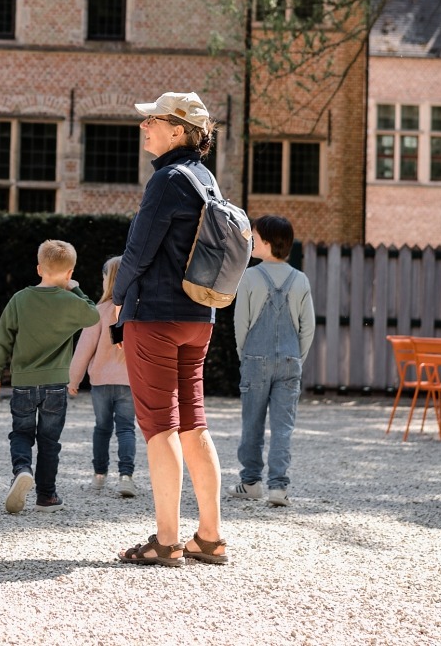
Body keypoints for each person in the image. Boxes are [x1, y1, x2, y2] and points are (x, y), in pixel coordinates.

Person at [112, 91, 230, 566]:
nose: (145, 127)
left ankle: (165, 541)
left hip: (156, 318)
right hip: (198, 318)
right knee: (194, 424)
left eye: (153, 121)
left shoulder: (167, 179)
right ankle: (210, 536)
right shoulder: (206, 179)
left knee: (160, 427)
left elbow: (138, 251)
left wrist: (117, 296)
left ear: (178, 130)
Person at [0, 240, 99, 515]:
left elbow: (3, 338)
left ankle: (22, 470)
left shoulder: (19, 299)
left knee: (21, 433)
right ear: (70, 271)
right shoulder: (71, 301)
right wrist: (77, 289)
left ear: (39, 268)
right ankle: (46, 496)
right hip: (56, 386)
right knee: (50, 441)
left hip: (24, 382)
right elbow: (93, 315)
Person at [232, 214, 315, 507]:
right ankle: (278, 488)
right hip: (290, 360)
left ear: (266, 242)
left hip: (255, 359)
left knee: (252, 422)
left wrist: (246, 357)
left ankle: (251, 482)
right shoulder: (300, 279)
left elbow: (241, 323)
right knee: (283, 427)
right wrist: (297, 358)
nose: (251, 241)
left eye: (254, 237)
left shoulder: (250, 277)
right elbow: (308, 327)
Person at [68, 256, 137, 498]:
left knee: (102, 428)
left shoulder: (99, 311)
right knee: (127, 429)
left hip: (100, 383)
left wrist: (73, 380)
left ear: (108, 280)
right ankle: (126, 477)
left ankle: (99, 475)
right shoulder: (136, 311)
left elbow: (83, 349)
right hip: (129, 382)